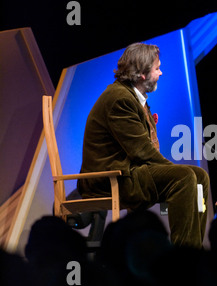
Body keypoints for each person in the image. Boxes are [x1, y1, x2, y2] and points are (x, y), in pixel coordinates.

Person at [77, 42, 210, 248]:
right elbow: (141, 151)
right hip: (111, 179)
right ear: (141, 74)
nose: (161, 73)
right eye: (157, 68)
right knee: (184, 177)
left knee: (200, 176)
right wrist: (174, 170)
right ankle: (185, 260)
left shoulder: (133, 97)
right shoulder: (119, 99)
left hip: (129, 172)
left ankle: (193, 251)